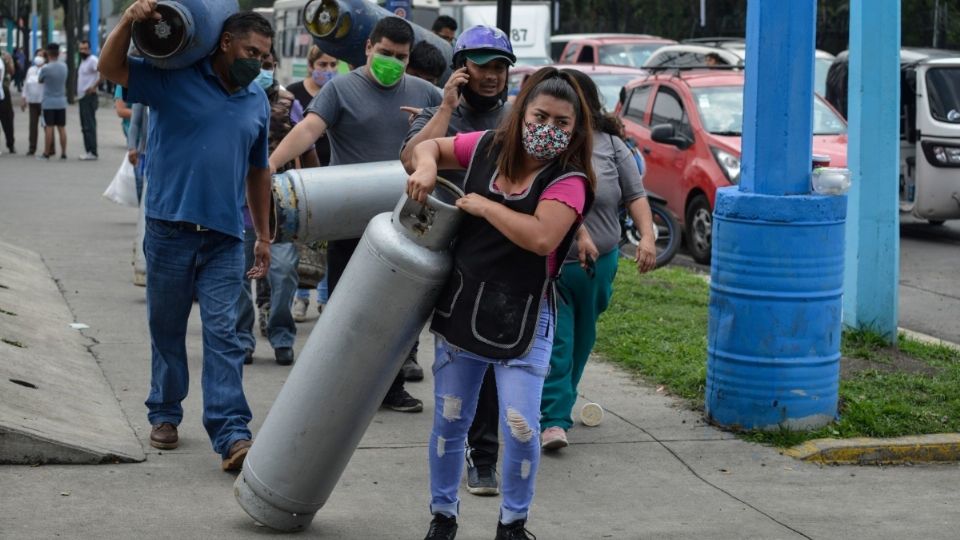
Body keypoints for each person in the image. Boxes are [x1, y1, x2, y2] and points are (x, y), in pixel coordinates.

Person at [408, 66, 596, 540]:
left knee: (520, 428)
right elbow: (423, 149)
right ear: (521, 112)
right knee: (450, 421)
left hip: (525, 319)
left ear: (575, 131)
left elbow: (540, 237)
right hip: (462, 310)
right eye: (540, 116)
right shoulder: (488, 146)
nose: (547, 130)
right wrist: (429, 164)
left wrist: (486, 205)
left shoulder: (570, 180)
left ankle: (513, 525)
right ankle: (442, 517)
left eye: (561, 123)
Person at [99, 0, 274, 472]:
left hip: (224, 236)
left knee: (225, 334)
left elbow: (259, 172)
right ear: (225, 43)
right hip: (169, 230)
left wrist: (263, 233)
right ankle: (164, 411)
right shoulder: (172, 80)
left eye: (264, 56)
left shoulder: (256, 99)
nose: (257, 62)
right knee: (168, 330)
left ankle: (232, 432)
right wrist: (128, 22)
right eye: (251, 51)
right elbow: (111, 67)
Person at [269, 16, 441, 413]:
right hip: (350, 219)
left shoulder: (424, 92)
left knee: (399, 312)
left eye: (401, 57)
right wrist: (270, 166)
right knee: (348, 309)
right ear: (367, 49)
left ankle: (392, 386)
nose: (392, 62)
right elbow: (309, 129)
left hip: (407, 220)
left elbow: (458, 126)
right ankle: (339, 389)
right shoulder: (342, 89)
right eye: (385, 53)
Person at [400, 24, 514, 496]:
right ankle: (456, 443)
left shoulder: (518, 121)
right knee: (453, 360)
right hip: (437, 251)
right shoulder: (437, 113)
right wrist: (446, 106)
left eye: (499, 67)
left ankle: (483, 456)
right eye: (481, 66)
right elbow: (410, 158)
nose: (490, 76)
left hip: (494, 256)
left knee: (487, 355)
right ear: (460, 69)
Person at [539, 69, 657, 451]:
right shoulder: (545, 144)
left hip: (599, 266)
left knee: (582, 340)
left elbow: (635, 195)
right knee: (558, 342)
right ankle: (554, 420)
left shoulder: (610, 144)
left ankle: (561, 402)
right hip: (551, 265)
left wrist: (648, 238)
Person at [236, 48, 319, 367]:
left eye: (269, 65)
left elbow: (307, 148)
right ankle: (242, 338)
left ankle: (281, 334)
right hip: (237, 205)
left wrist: (313, 190)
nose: (264, 70)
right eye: (258, 64)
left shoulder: (289, 104)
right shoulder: (231, 99)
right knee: (239, 277)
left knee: (284, 274)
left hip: (281, 207)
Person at [286, 44, 338, 322]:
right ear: (311, 66)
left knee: (326, 243)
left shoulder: (337, 91)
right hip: (303, 179)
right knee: (302, 240)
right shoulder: (294, 93)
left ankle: (325, 299)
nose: (328, 71)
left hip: (331, 176)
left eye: (333, 65)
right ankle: (301, 298)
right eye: (323, 65)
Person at [37, 43, 68, 160]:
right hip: (61, 101)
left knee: (49, 127)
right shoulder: (64, 66)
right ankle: (64, 153)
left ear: (48, 53)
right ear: (58, 53)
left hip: (48, 102)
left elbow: (40, 80)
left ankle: (46, 153)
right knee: (61, 128)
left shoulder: (46, 68)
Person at [77, 40, 100, 160]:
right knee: (85, 125)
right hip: (82, 97)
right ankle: (89, 150)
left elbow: (103, 72)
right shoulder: (83, 61)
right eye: (81, 48)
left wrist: (94, 87)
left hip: (89, 97)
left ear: (90, 49)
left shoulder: (92, 60)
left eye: (85, 48)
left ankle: (92, 151)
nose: (83, 51)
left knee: (89, 125)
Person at [20, 50, 45, 156]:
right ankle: (32, 147)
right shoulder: (31, 70)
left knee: (46, 125)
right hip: (32, 101)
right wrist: (23, 98)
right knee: (33, 126)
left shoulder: (46, 69)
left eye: (41, 55)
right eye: (37, 55)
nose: (38, 57)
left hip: (44, 102)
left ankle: (50, 147)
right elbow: (26, 84)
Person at [0, 51, 15, 154]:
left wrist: (9, 61)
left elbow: (12, 71)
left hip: (3, 90)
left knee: (7, 120)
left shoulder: (5, 55)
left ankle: (10, 144)